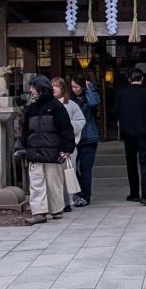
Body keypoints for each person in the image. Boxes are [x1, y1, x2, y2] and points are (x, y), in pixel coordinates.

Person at [14, 75, 75, 225]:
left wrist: (67, 149)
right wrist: (23, 146)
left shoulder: (57, 107)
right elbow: (26, 131)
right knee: (36, 183)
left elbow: (66, 130)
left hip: (53, 152)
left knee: (54, 183)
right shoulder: (32, 109)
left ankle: (56, 209)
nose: (31, 91)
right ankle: (39, 212)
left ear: (40, 89)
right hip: (36, 152)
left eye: (33, 88)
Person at [112, 67, 146, 205]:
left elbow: (115, 113)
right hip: (145, 132)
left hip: (128, 133)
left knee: (131, 163)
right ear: (142, 79)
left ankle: (134, 193)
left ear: (129, 79)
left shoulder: (121, 94)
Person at [51, 76, 84, 213]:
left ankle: (68, 201)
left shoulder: (71, 105)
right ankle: (56, 201)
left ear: (63, 88)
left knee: (68, 173)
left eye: (57, 85)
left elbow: (81, 121)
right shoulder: (48, 104)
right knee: (54, 175)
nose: (54, 88)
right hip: (52, 145)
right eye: (52, 85)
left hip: (67, 145)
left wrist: (67, 124)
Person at [69, 76, 100, 207]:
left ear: (82, 87)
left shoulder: (89, 97)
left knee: (86, 169)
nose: (74, 89)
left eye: (76, 87)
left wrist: (89, 88)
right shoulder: (70, 100)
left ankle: (86, 196)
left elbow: (94, 102)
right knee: (71, 167)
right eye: (72, 87)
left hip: (88, 137)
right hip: (74, 138)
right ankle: (80, 190)